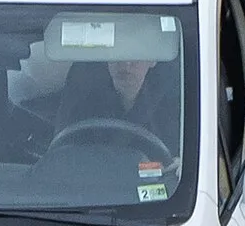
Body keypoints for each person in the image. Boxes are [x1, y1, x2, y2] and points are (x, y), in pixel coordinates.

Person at [52, 57, 180, 155]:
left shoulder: (178, 97)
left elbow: (188, 155)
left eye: (136, 55)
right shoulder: (83, 94)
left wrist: (181, 165)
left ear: (152, 60)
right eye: (117, 55)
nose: (126, 64)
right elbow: (62, 152)